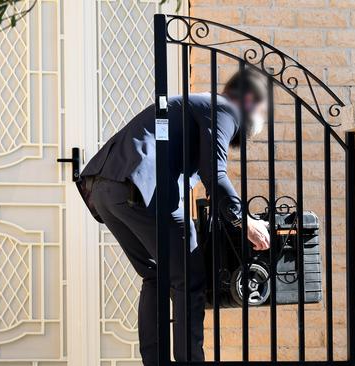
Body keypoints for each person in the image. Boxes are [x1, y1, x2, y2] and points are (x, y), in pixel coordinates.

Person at [76, 69, 271, 364]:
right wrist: (242, 220)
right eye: (262, 109)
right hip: (140, 189)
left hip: (105, 187)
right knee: (189, 279)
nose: (261, 119)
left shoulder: (197, 105)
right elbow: (214, 173)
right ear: (247, 99)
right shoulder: (224, 109)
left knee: (155, 275)